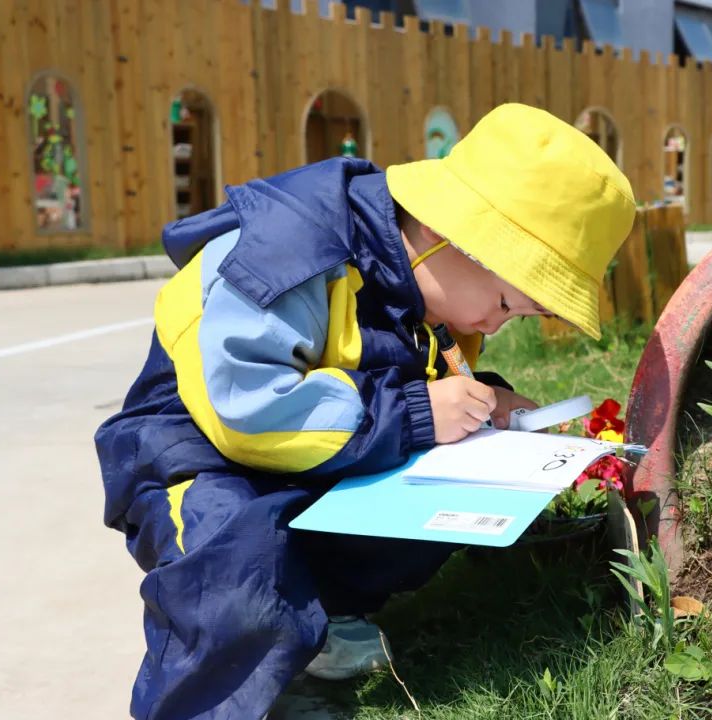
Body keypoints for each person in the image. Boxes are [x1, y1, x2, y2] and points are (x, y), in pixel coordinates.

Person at [94, 103, 636, 720]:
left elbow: (410, 376)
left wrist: (482, 400)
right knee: (235, 581)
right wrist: (415, 415)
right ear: (447, 232)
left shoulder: (424, 282)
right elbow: (248, 409)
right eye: (509, 302)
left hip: (310, 449)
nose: (497, 322)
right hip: (199, 457)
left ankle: (314, 617)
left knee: (436, 508)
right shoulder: (287, 249)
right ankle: (218, 695)